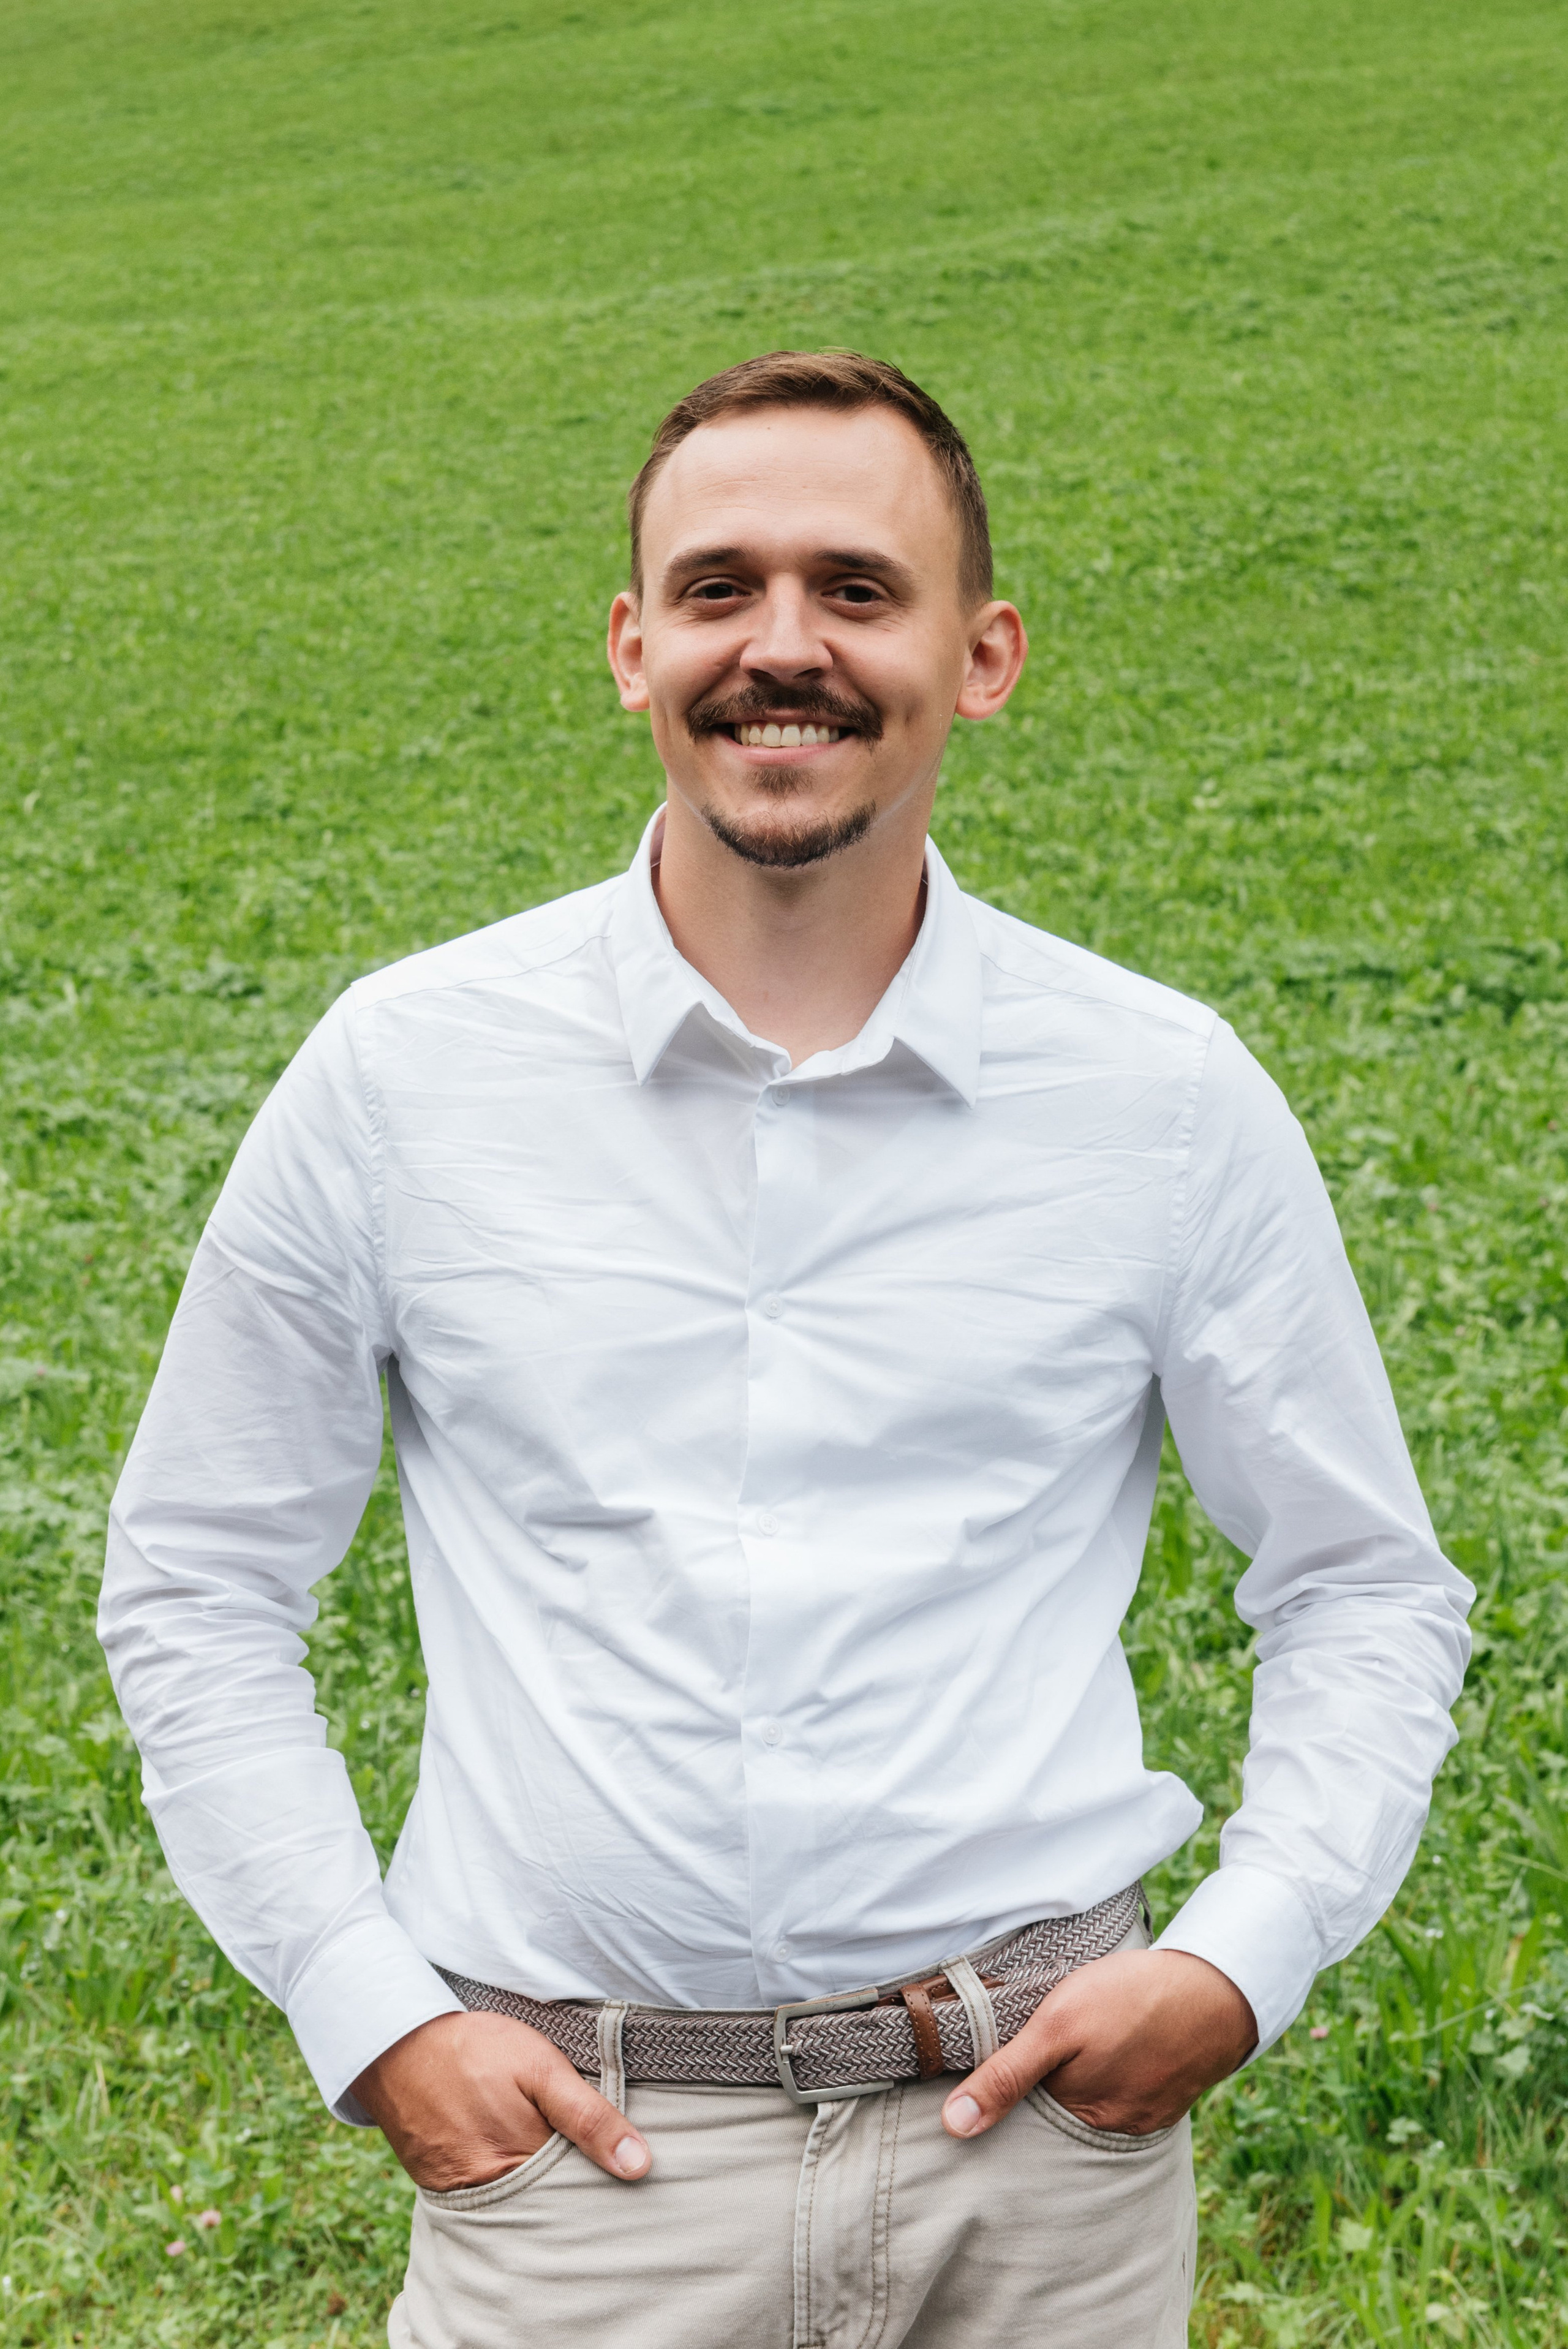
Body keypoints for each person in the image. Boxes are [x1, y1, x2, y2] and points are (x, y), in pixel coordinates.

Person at [100, 350, 1472, 2348]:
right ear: (632, 643)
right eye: (722, 588)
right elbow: (200, 1581)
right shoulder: (404, 1075)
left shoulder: (1161, 1094)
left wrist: (1244, 1957)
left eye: (857, 587)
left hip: (1041, 2171)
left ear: (982, 653)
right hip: (582, 2171)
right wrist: (370, 2003)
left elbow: (1363, 1584)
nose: (783, 648)